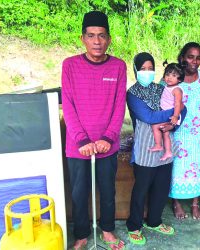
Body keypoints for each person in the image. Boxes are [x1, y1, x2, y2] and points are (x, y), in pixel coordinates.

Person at [61, 11, 126, 250]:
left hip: (106, 146)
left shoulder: (118, 66)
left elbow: (120, 105)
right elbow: (67, 104)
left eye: (101, 36)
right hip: (78, 147)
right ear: (83, 39)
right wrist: (82, 140)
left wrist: (108, 137)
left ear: (109, 39)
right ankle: (81, 234)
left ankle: (107, 230)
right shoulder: (69, 65)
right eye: (91, 36)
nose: (97, 41)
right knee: (79, 195)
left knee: (107, 191)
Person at [126, 52, 187, 245]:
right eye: (142, 69)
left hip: (166, 145)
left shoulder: (161, 88)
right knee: (142, 188)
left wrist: (174, 124)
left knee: (161, 186)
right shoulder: (132, 94)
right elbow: (150, 117)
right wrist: (174, 114)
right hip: (145, 145)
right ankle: (134, 226)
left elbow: (183, 109)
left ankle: (154, 221)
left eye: (150, 68)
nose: (147, 72)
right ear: (135, 70)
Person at [169, 42, 200, 220]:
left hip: (199, 136)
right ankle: (177, 202)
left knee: (199, 167)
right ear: (182, 58)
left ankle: (195, 203)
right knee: (177, 168)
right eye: (190, 56)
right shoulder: (171, 78)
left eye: (198, 57)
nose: (195, 61)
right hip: (178, 134)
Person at [150, 63, 185, 161]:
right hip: (166, 113)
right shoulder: (166, 86)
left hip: (170, 115)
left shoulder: (177, 89)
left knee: (155, 126)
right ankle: (168, 152)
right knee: (165, 133)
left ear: (179, 79)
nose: (169, 77)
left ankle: (158, 145)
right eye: (167, 74)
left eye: (174, 75)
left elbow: (178, 104)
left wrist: (175, 116)